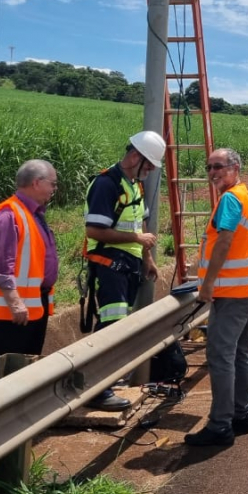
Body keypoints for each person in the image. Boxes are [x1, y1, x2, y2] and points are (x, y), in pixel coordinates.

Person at [185, 148, 248, 447]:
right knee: (239, 353)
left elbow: (224, 241)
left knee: (220, 356)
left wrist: (207, 284)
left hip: (233, 293)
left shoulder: (230, 199)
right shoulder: (247, 196)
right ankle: (242, 416)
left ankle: (220, 425)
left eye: (219, 167)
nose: (212, 173)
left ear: (235, 167)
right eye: (209, 167)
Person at [81, 130, 164, 410]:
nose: (151, 169)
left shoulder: (134, 186)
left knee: (118, 327)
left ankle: (106, 384)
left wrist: (147, 259)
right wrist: (137, 240)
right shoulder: (107, 184)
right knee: (109, 328)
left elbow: (139, 225)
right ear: (134, 157)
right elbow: (95, 230)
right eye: (149, 163)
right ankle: (98, 390)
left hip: (127, 267)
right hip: (109, 267)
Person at [0, 159, 59, 387]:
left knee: (22, 374)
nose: (54, 190)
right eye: (52, 184)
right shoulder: (8, 215)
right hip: (7, 314)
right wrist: (16, 302)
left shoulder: (33, 214)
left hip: (29, 310)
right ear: (37, 183)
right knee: (0, 378)